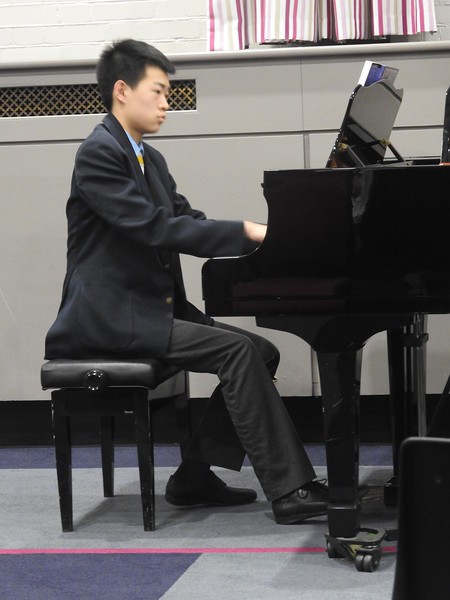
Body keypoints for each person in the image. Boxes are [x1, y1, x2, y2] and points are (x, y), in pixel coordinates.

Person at [44, 39, 327, 525]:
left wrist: (265, 238)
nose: (165, 102)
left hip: (151, 309)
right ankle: (291, 489)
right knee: (237, 352)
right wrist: (245, 232)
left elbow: (184, 217)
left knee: (260, 350)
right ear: (121, 91)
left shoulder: (148, 158)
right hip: (111, 318)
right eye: (156, 91)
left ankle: (193, 477)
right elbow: (157, 228)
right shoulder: (97, 154)